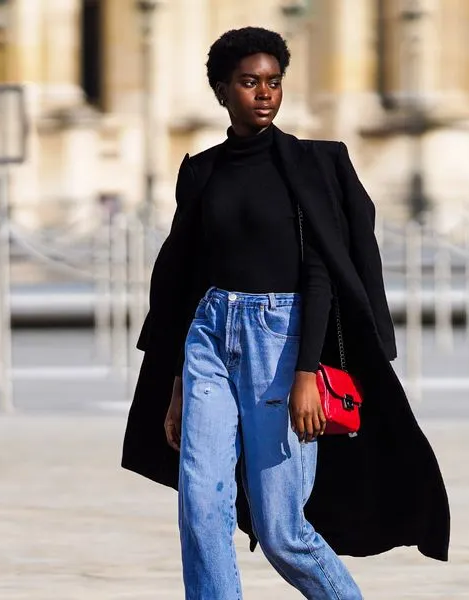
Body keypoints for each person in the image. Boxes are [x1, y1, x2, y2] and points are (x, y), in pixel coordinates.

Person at [121, 26, 451, 599]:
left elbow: (321, 272)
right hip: (208, 337)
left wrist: (306, 375)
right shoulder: (201, 171)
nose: (265, 94)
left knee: (282, 531)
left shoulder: (313, 164)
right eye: (250, 83)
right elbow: (184, 278)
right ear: (222, 89)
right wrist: (175, 381)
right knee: (201, 507)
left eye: (274, 82)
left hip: (284, 339)